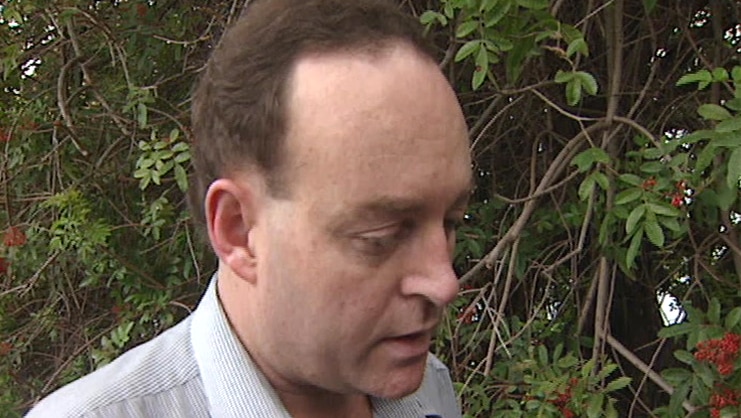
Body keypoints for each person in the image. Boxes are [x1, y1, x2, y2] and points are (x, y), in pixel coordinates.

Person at [26, 0, 472, 416]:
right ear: (239, 230)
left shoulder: (429, 391)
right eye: (383, 235)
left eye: (452, 221)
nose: (444, 282)